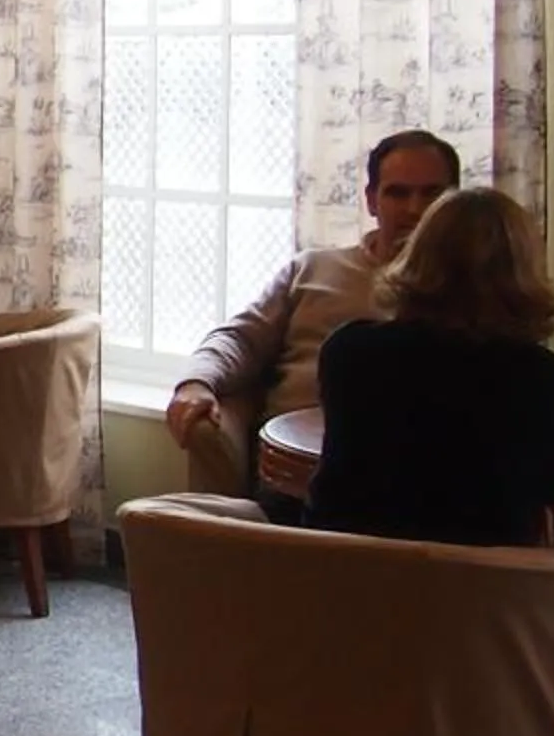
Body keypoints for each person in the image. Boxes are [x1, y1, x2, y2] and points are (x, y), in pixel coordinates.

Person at [165, 130, 460, 497]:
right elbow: (240, 337)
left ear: (454, 205)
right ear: (371, 200)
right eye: (398, 193)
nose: (415, 209)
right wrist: (196, 382)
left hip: (407, 477)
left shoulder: (476, 291)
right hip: (292, 465)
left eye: (431, 194)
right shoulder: (313, 269)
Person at [304, 188, 554, 548]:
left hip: (347, 586)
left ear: (418, 254)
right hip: (480, 596)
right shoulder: (538, 375)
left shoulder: (349, 351)